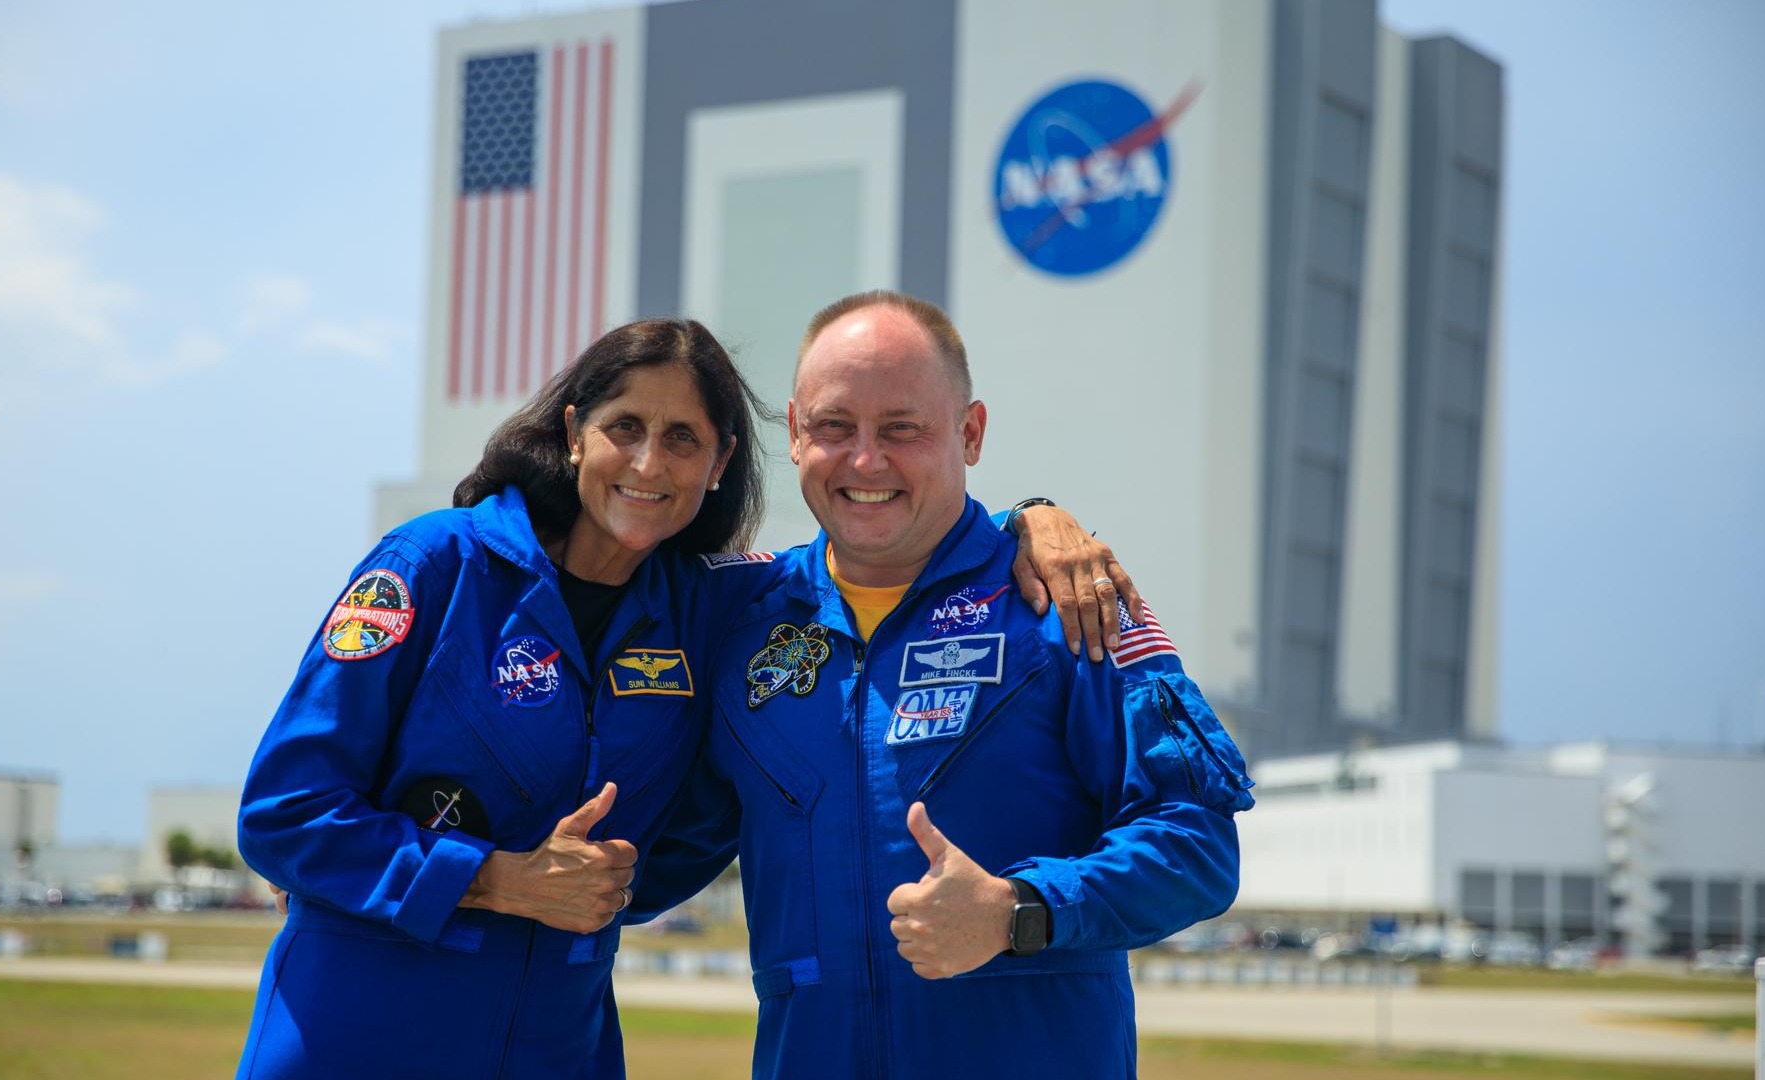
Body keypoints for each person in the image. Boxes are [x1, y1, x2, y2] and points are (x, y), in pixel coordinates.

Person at [234, 316, 1141, 1078]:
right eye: (626, 427)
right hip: (357, 1034)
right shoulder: (434, 565)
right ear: (574, 429)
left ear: (722, 462)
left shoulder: (716, 606)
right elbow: (283, 814)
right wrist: (496, 881)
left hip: (559, 1046)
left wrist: (1036, 518)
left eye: (682, 440)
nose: (648, 463)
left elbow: (882, 555)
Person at [638, 291, 1257, 1079]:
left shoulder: (1070, 602)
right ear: (794, 434)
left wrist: (1020, 912)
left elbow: (1199, 844)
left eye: (903, 428)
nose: (866, 460)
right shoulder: (737, 616)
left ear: (970, 432)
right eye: (834, 427)